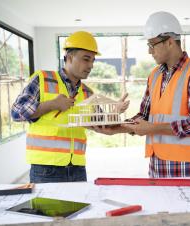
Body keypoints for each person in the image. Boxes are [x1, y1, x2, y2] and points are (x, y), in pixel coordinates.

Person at [93, 11, 190, 178]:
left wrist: (152, 128)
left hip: (185, 166)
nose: (150, 51)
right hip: (157, 164)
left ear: (170, 42)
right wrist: (117, 128)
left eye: (152, 45)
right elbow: (144, 116)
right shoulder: (155, 75)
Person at [11, 31, 129, 183]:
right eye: (86, 59)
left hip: (77, 169)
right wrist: (52, 104)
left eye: (93, 60)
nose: (91, 65)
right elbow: (16, 112)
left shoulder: (87, 92)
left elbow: (101, 124)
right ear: (69, 57)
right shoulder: (43, 79)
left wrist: (114, 110)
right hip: (46, 169)